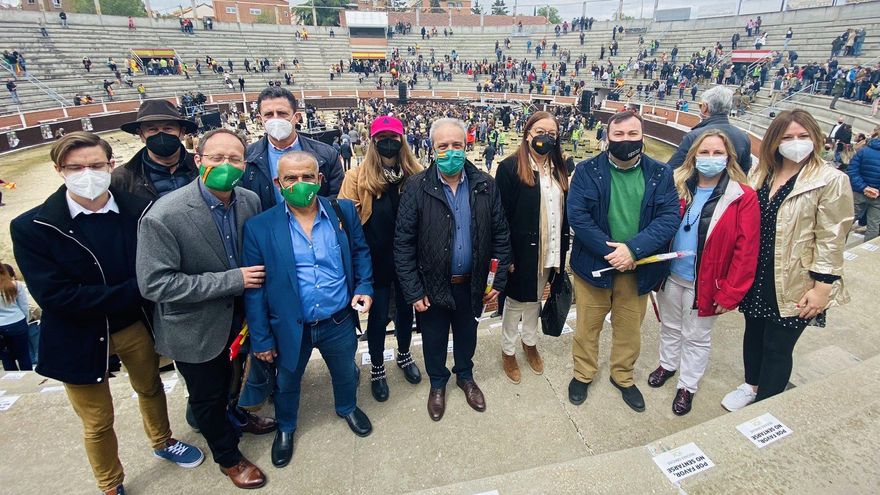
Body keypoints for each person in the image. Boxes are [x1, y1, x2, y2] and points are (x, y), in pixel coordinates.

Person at [11, 132, 204, 495]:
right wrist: (137, 289)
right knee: (98, 420)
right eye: (76, 167)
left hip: (134, 325)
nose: (88, 172)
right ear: (59, 170)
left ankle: (162, 441)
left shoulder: (139, 209)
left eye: (96, 165)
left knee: (150, 388)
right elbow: (56, 296)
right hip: (78, 334)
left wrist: (133, 289)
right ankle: (110, 483)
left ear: (111, 165)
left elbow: (158, 267)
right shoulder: (32, 225)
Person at [136, 129, 269, 489]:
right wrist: (232, 280)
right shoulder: (164, 215)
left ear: (245, 164)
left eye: (235, 159)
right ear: (198, 161)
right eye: (217, 158)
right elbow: (156, 284)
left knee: (232, 380)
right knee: (207, 398)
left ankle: (236, 415)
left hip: (237, 320)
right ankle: (228, 457)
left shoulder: (248, 200)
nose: (226, 165)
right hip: (195, 328)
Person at [243, 151, 375, 469]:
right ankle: (286, 427)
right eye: (291, 178)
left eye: (306, 177)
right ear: (278, 183)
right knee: (287, 382)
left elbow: (360, 252)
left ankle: (347, 407)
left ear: (319, 180)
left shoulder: (342, 212)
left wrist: (364, 286)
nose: (299, 184)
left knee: (345, 372)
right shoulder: (259, 227)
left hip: (338, 319)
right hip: (291, 326)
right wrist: (261, 339)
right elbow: (255, 289)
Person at [722, 110, 854, 412]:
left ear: (816, 138)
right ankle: (750, 385)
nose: (796, 143)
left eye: (803, 136)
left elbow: (831, 239)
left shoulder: (830, 180)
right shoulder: (761, 174)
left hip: (795, 279)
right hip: (757, 272)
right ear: (774, 141)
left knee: (778, 345)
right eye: (788, 137)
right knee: (753, 333)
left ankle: (767, 403)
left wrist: (822, 288)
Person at [395, 118, 511, 421]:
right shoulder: (416, 187)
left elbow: (500, 235)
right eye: (443, 146)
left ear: (466, 145)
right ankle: (437, 383)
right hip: (430, 286)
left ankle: (465, 375)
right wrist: (413, 289)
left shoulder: (486, 184)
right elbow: (403, 244)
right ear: (432, 149)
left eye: (456, 145)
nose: (450, 152)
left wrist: (496, 281)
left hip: (471, 284)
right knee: (433, 339)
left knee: (466, 335)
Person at [566, 111, 679, 412]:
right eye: (618, 135)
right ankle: (583, 373)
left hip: (636, 269)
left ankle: (623, 376)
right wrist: (614, 253)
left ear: (642, 136)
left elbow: (669, 218)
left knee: (629, 329)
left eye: (632, 134)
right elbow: (577, 216)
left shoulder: (661, 173)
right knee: (586, 328)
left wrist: (633, 251)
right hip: (594, 267)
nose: (625, 140)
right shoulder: (587, 170)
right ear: (607, 137)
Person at [649, 131, 759, 415]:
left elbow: (746, 251)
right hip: (671, 275)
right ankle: (668, 364)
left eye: (717, 153)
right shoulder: (677, 186)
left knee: (697, 336)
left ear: (728, 158)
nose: (710, 158)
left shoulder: (741, 196)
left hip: (707, 283)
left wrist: (731, 292)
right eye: (705, 153)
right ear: (694, 156)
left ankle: (687, 385)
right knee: (670, 326)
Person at [338, 116, 423, 402]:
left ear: (402, 141)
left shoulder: (415, 173)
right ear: (373, 142)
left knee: (405, 313)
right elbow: (346, 224)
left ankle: (404, 354)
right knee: (376, 319)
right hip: (374, 262)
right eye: (382, 138)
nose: (388, 143)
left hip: (407, 261)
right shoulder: (356, 177)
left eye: (393, 138)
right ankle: (376, 367)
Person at [494, 112, 570, 385]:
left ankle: (529, 341)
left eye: (551, 133)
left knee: (535, 299)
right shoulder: (510, 167)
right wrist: (507, 257)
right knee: (515, 304)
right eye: (540, 131)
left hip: (550, 250)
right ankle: (508, 350)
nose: (545, 138)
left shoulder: (560, 168)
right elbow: (499, 217)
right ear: (527, 133)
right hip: (521, 253)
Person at [241, 87, 344, 210]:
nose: (275, 119)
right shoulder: (247, 157)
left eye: (282, 113)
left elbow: (336, 197)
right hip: (268, 227)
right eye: (269, 114)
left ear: (297, 117)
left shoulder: (326, 154)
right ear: (260, 119)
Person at [112, 99, 198, 200]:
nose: (161, 135)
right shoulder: (121, 179)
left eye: (168, 128)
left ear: (182, 132)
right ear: (141, 135)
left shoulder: (203, 166)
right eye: (152, 129)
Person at [667, 86, 753, 174]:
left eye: (700, 105)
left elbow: (671, 169)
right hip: (731, 186)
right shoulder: (743, 137)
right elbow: (744, 171)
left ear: (705, 107)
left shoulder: (694, 136)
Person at [847, 126, 880, 241]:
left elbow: (852, 170)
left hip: (859, 193)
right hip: (877, 197)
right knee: (873, 227)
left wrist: (864, 187)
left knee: (846, 221)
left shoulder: (864, 151)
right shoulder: (864, 150)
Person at [0, 262, 32, 371]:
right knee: (24, 355)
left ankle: (13, 381)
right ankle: (27, 380)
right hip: (17, 322)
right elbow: (23, 305)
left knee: (6, 357)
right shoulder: (16, 285)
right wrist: (25, 321)